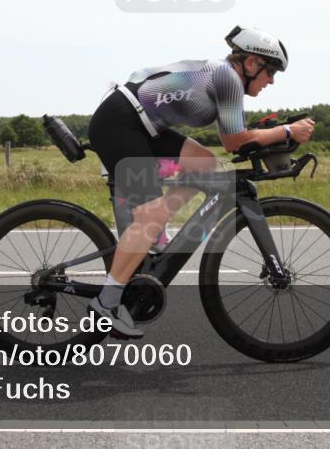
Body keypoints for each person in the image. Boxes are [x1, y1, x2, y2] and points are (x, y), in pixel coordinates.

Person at [87, 26, 315, 338]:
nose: (271, 81)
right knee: (151, 217)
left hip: (141, 124)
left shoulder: (223, 76)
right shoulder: (228, 79)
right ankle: (107, 303)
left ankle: (156, 230)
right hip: (121, 124)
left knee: (205, 162)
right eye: (271, 71)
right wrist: (287, 131)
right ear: (251, 63)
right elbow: (235, 142)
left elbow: (232, 140)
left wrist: (275, 133)